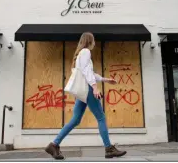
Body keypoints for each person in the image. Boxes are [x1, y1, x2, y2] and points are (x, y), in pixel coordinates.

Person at [45, 32, 127, 160]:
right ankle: (109, 149)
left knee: (76, 120)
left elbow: (88, 72)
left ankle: (54, 145)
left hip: (83, 90)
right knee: (101, 117)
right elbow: (87, 72)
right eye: (94, 40)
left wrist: (105, 80)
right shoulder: (86, 52)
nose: (95, 43)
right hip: (87, 89)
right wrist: (94, 87)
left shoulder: (81, 53)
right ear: (90, 41)